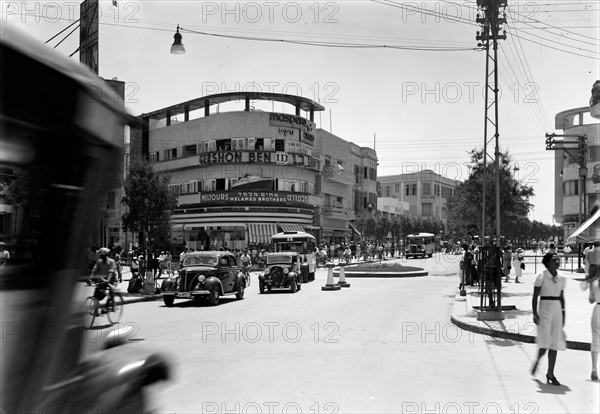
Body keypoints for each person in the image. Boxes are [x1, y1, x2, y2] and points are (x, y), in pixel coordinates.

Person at [531, 252, 567, 385]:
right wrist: (534, 313)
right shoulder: (541, 276)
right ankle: (538, 360)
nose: (557, 262)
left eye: (558, 259)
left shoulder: (562, 278)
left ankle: (550, 373)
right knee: (545, 342)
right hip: (545, 308)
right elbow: (535, 297)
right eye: (554, 260)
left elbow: (562, 296)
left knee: (555, 342)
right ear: (548, 262)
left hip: (557, 309)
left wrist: (563, 312)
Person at [582, 270, 600, 381]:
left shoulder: (594, 283)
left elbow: (591, 300)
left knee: (595, 340)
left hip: (597, 310)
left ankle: (594, 368)